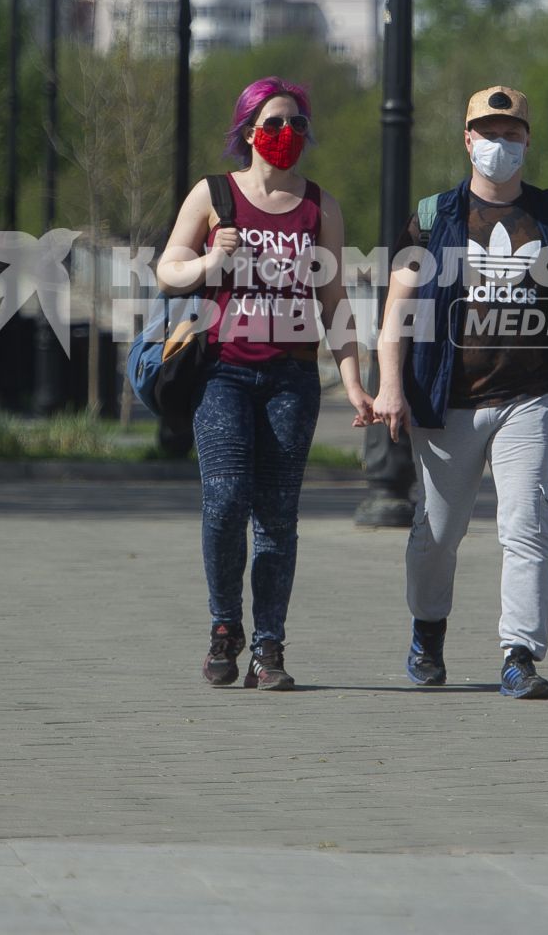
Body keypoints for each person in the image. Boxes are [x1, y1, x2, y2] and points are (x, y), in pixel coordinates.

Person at [370, 86, 548, 700]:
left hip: (531, 398)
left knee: (527, 521)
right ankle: (428, 629)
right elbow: (397, 306)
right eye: (488, 133)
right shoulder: (433, 216)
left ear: (528, 141)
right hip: (446, 399)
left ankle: (519, 654)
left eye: (513, 133)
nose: (501, 144)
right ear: (467, 140)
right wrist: (390, 384)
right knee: (436, 535)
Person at [156, 78, 372, 692]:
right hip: (221, 369)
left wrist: (353, 381)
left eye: (299, 125)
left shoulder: (319, 207)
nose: (288, 135)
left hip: (291, 377)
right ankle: (226, 630)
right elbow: (168, 269)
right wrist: (206, 262)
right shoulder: (215, 195)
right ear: (248, 130)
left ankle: (269, 648)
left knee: (277, 517)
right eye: (276, 123)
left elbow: (334, 300)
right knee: (225, 503)